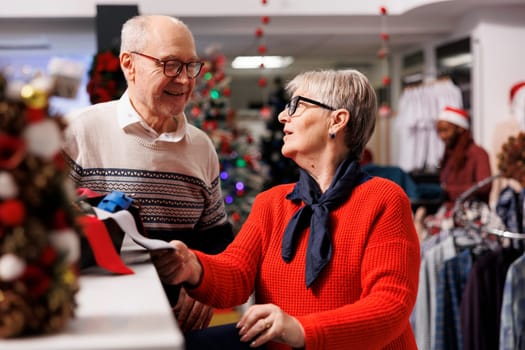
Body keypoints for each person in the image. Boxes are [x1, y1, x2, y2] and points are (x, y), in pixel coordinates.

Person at [152, 69, 421, 349]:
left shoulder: (384, 199)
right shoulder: (272, 203)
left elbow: (391, 306)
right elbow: (236, 274)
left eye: (297, 105)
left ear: (337, 120)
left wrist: (301, 329)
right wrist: (192, 265)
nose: (282, 116)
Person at [62, 15, 234, 332]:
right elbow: (45, 230)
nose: (184, 80)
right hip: (94, 323)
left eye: (190, 66)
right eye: (170, 65)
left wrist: (204, 286)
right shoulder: (79, 131)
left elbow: (215, 237)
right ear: (129, 64)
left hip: (179, 326)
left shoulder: (200, 145)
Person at [435, 106, 492, 205]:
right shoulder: (448, 155)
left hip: (471, 213)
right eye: (439, 131)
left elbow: (484, 186)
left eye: (445, 130)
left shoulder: (478, 153)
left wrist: (448, 191)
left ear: (460, 129)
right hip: (449, 211)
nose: (442, 136)